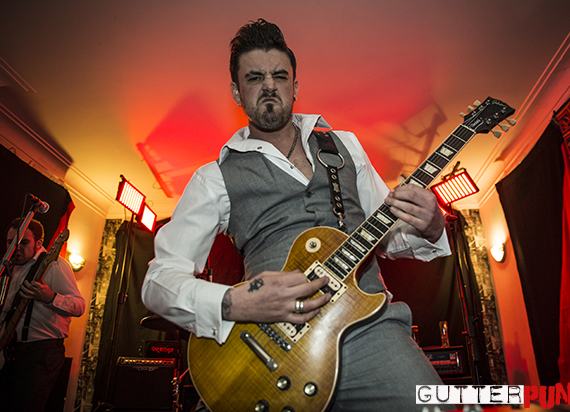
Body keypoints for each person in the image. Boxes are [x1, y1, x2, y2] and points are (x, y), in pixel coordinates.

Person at [142, 19, 452, 411]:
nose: (269, 85)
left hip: (370, 331)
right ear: (237, 92)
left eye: (280, 75)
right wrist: (235, 303)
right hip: (267, 348)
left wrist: (432, 224)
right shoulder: (214, 177)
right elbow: (159, 282)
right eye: (255, 77)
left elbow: (391, 237)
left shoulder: (345, 145)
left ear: (295, 86)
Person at [0, 218, 86, 412]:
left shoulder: (54, 265)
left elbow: (79, 306)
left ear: (38, 243)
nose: (16, 248)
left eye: (23, 242)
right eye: (10, 242)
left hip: (41, 352)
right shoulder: (8, 268)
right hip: (11, 350)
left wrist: (51, 298)